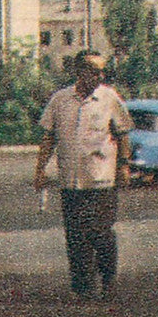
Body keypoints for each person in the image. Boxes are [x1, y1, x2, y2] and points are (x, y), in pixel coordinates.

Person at [34, 51, 132, 301]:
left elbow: (123, 134)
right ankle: (82, 287)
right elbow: (48, 137)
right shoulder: (60, 100)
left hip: (101, 179)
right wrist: (40, 169)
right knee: (76, 235)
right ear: (79, 72)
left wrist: (123, 166)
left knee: (101, 232)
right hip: (70, 181)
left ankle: (108, 281)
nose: (100, 75)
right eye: (94, 70)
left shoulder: (109, 98)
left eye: (102, 71)